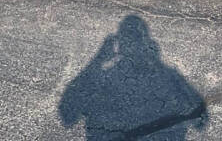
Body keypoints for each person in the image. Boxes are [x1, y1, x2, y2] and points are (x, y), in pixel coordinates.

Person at [59, 16, 208, 140]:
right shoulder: (169, 76)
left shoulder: (104, 77)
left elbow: (67, 115)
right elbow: (201, 119)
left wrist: (97, 60)